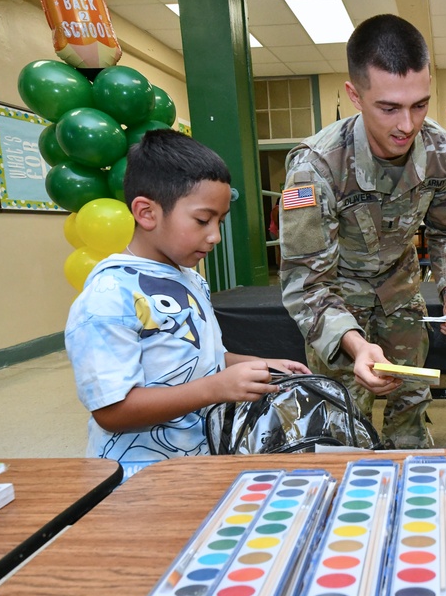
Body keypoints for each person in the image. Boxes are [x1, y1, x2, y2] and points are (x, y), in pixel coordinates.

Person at [278, 14, 446, 449]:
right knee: (343, 425)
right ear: (355, 95)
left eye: (420, 104)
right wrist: (353, 342)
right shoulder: (316, 168)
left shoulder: (443, 153)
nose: (407, 125)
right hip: (336, 305)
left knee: (411, 409)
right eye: (389, 108)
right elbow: (305, 283)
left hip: (401, 295)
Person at [65, 129, 309, 478]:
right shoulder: (109, 296)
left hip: (199, 460)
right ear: (146, 213)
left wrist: (257, 364)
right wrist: (215, 389)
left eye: (220, 222)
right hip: (139, 477)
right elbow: (112, 410)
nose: (214, 236)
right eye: (202, 220)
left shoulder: (190, 278)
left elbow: (201, 358)